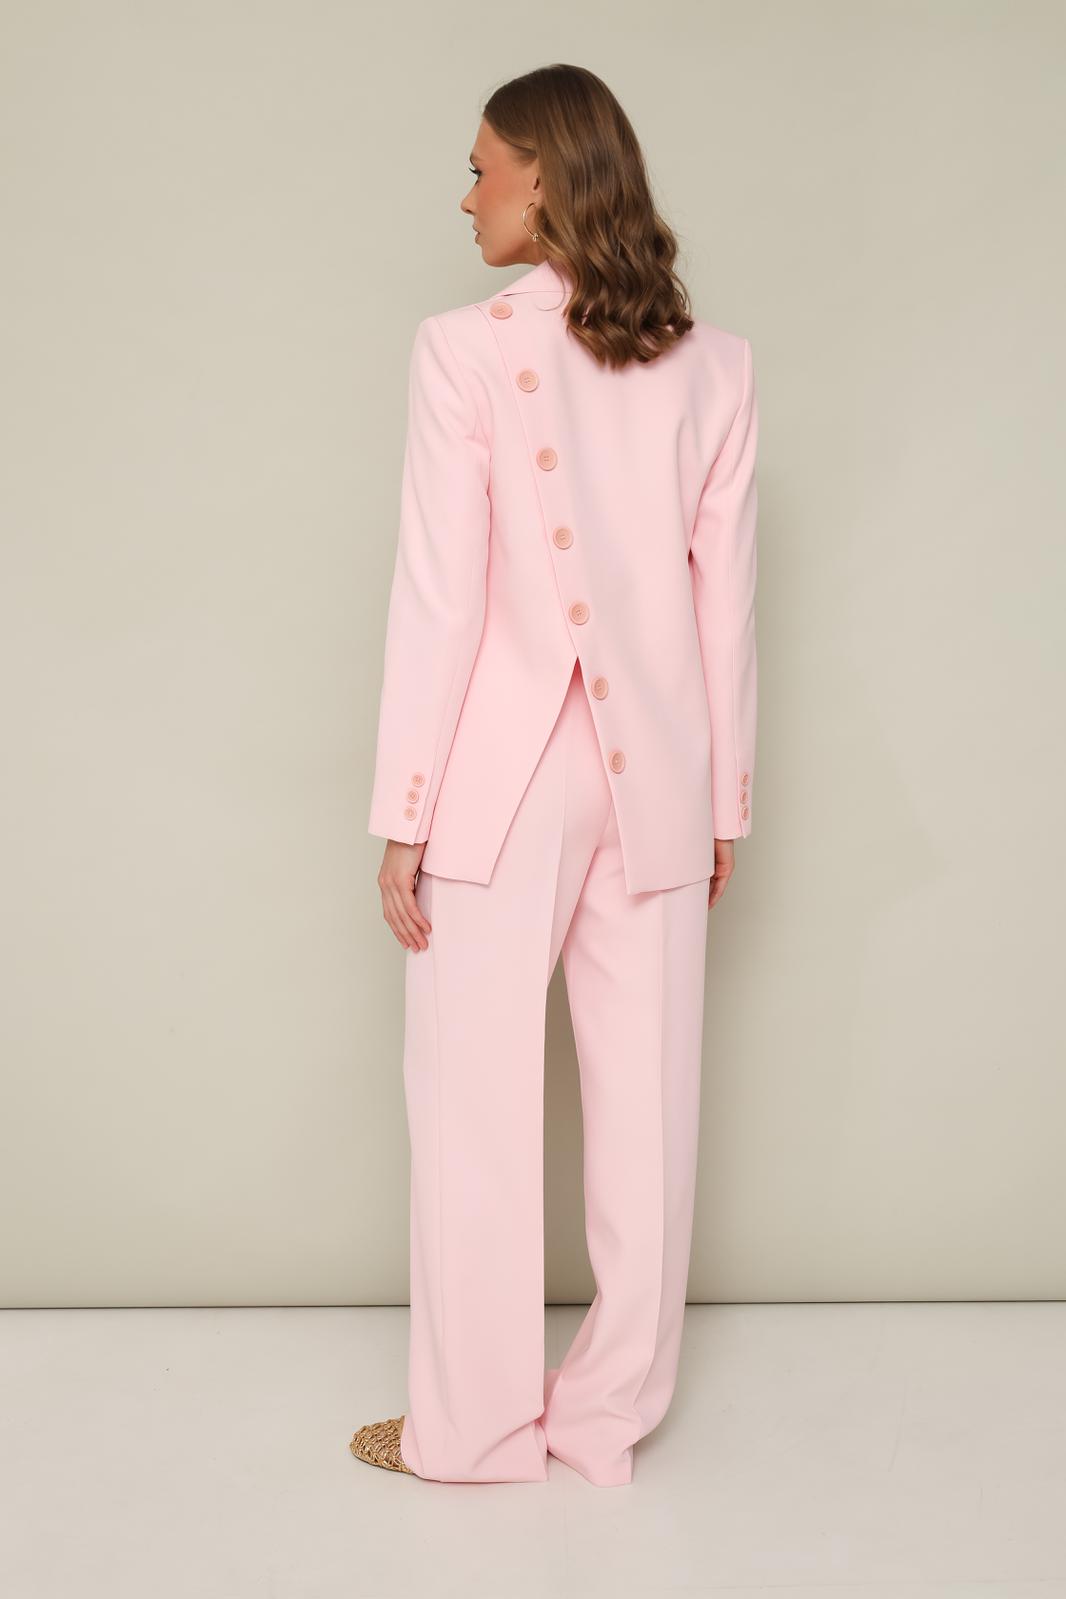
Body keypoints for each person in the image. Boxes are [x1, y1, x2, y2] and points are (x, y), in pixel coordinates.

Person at [350, 62, 758, 1487]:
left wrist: (404, 816)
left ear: (542, 173)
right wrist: (723, 807)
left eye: (480, 168)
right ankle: (602, 1422)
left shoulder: (460, 351)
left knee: (472, 1106)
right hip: (658, 780)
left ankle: (472, 1433)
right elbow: (724, 609)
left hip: (503, 778)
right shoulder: (717, 365)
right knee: (648, 1116)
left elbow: (440, 597)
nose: (464, 196)